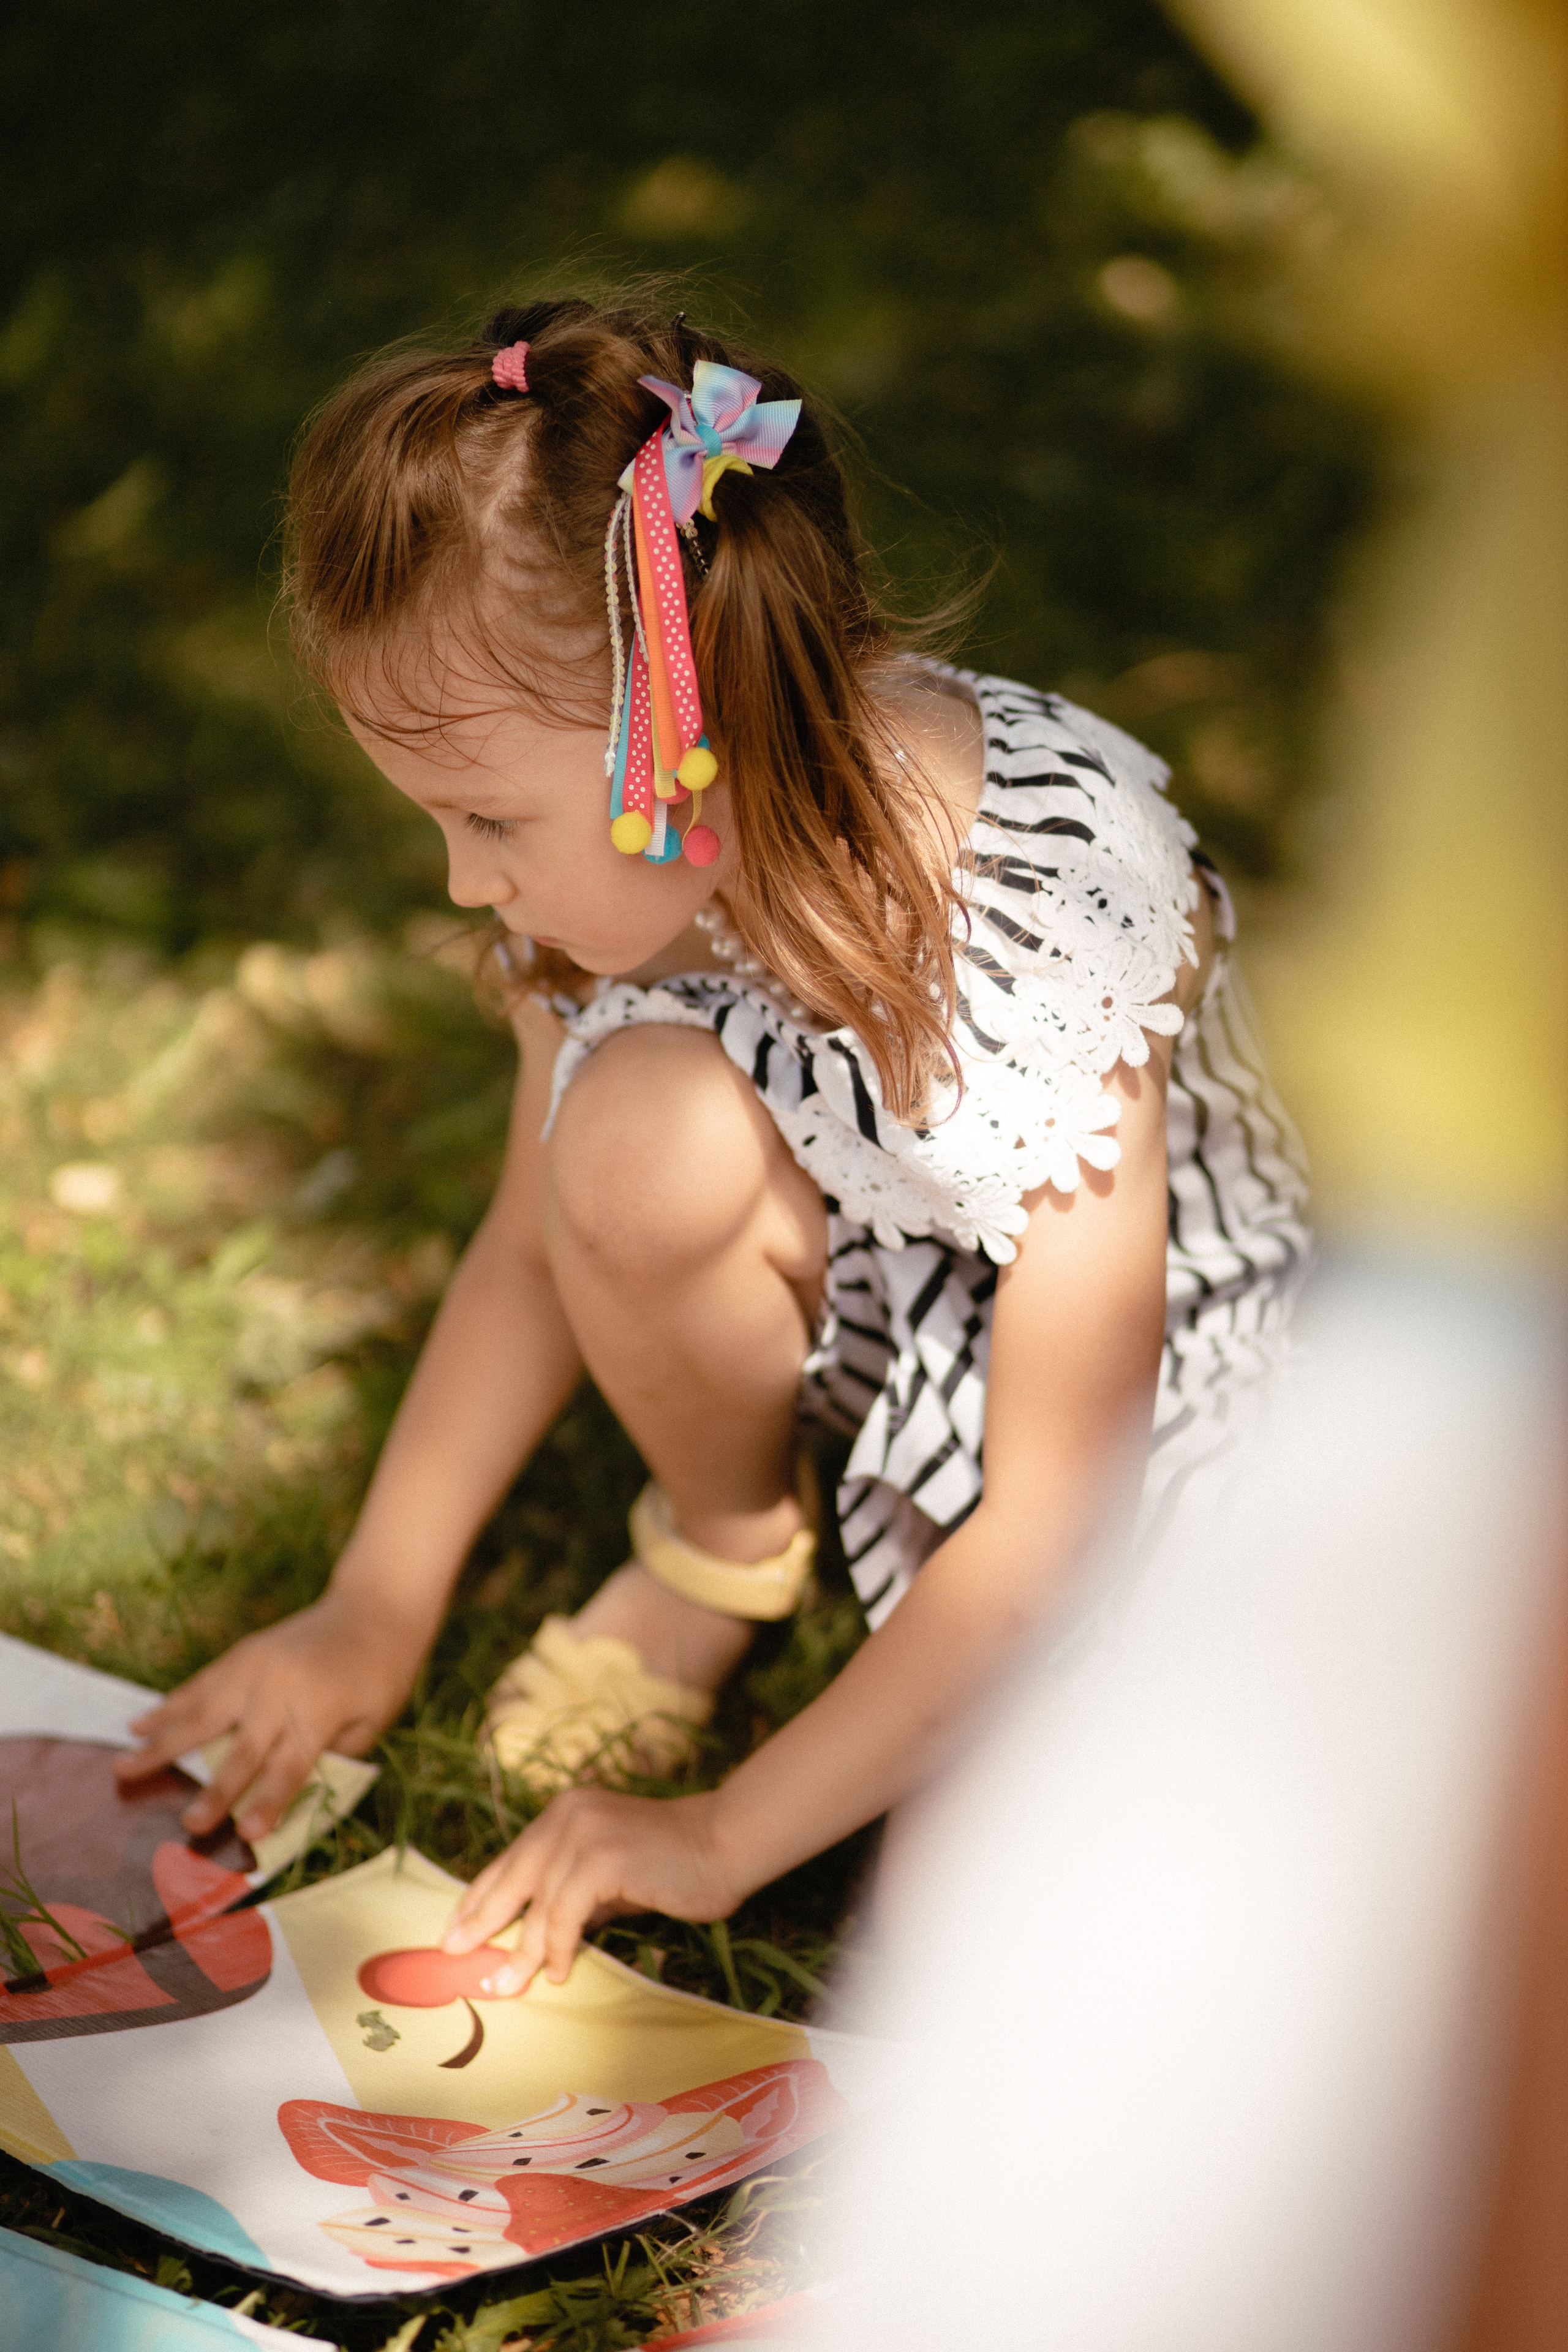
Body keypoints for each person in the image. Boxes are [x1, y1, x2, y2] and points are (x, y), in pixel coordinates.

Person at [116, 296, 1309, 1994]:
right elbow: (537, 1244)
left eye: (487, 818)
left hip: (1150, 1400)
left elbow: (1060, 1511)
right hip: (879, 1304)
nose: (460, 879)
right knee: (631, 1136)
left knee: (1013, 1923)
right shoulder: (621, 890)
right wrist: (374, 1602)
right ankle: (724, 1549)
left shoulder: (1046, 916)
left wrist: (720, 1834)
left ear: (684, 747)